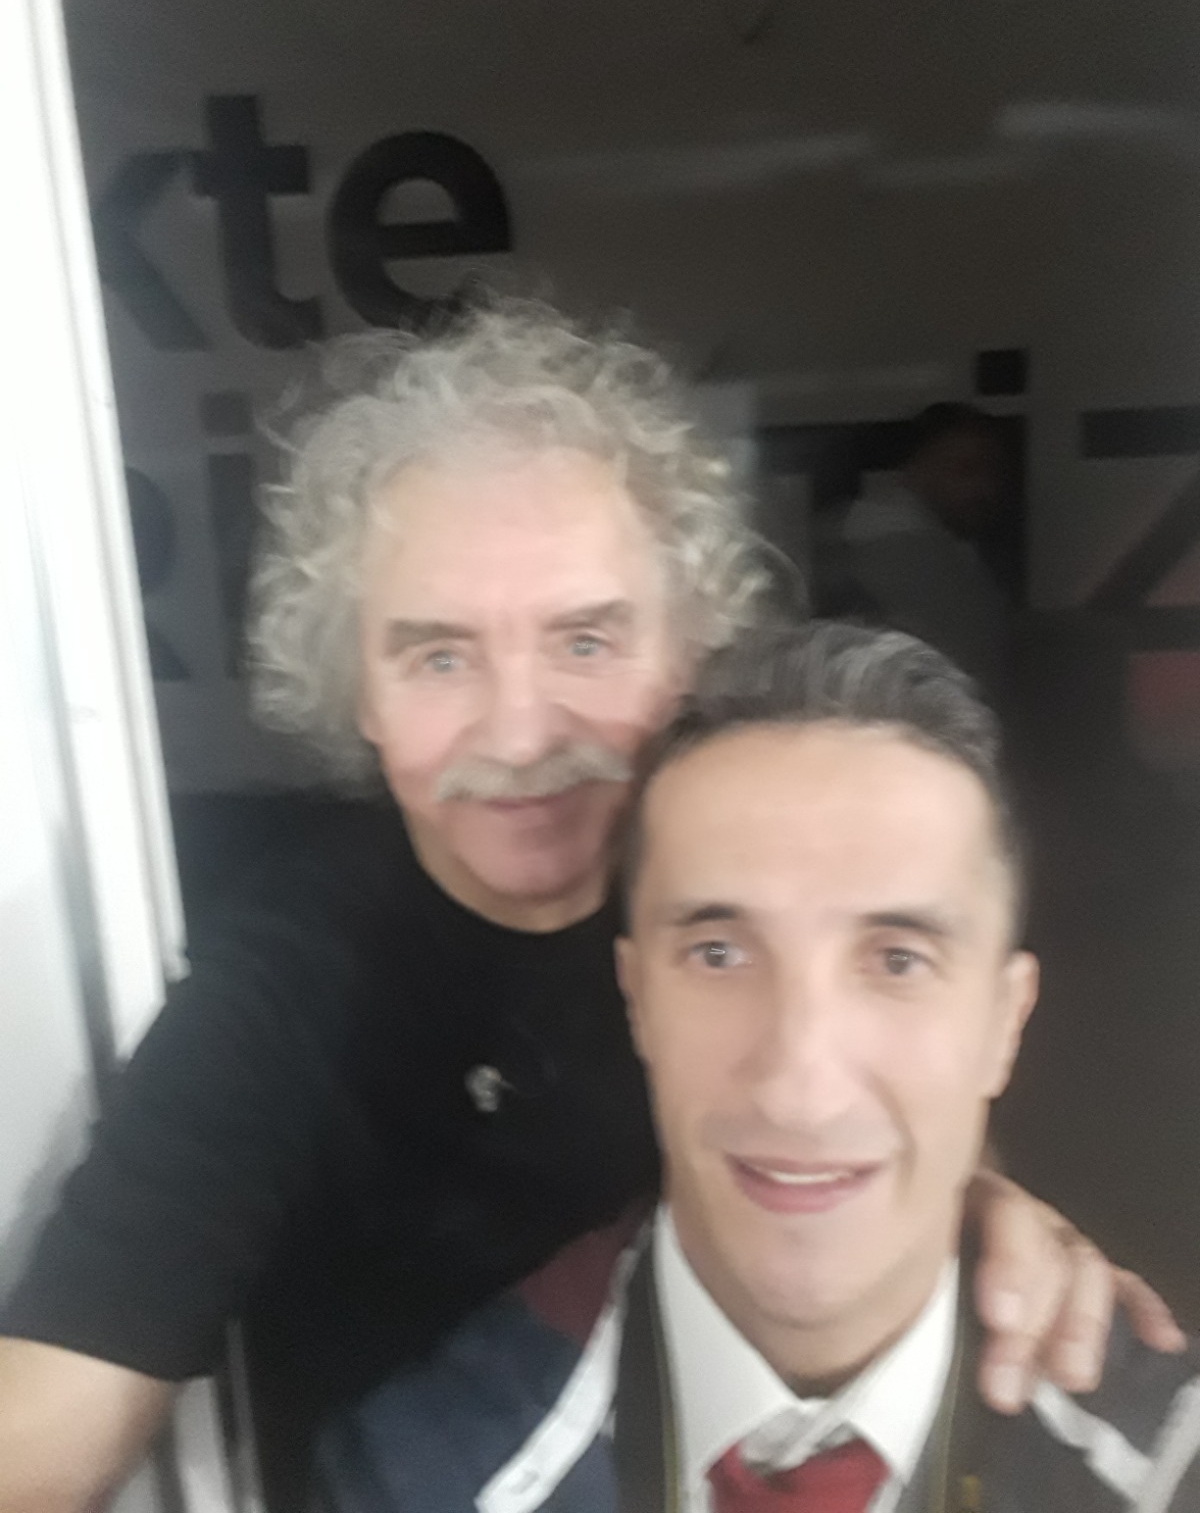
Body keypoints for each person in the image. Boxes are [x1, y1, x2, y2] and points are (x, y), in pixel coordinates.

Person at [0, 304, 1182, 1513]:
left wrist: (972, 1202)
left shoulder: (767, 868)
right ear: (360, 692)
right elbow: (52, 1415)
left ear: (690, 649)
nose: (521, 734)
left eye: (585, 641)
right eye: (439, 656)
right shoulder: (289, 984)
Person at [319, 622, 1200, 1513]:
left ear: (1004, 1023)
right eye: (719, 954)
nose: (800, 1088)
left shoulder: (1169, 1470)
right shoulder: (416, 1479)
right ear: (637, 998)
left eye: (898, 961)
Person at [817, 403, 1016, 696]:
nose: (985, 489)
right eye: (966, 469)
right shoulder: (897, 553)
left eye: (995, 474)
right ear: (916, 467)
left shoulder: (944, 546)